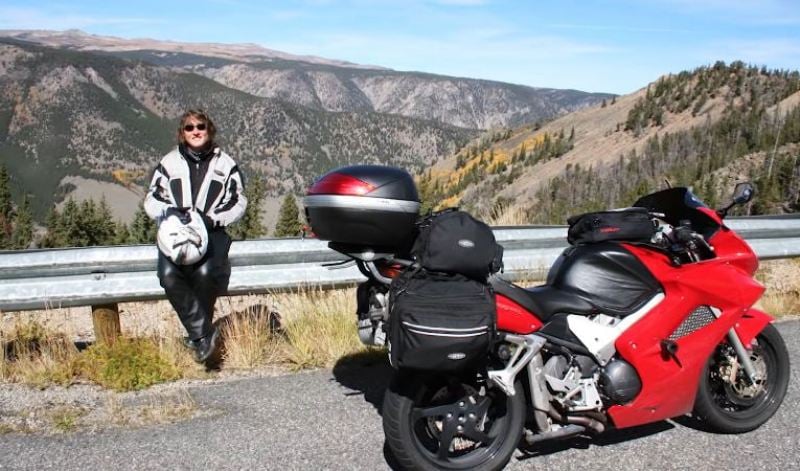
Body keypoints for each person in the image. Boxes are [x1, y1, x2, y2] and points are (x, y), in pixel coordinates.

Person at [144, 109, 247, 363]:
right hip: (176, 233)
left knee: (204, 274)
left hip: (212, 233)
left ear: (209, 129)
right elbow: (152, 198)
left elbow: (238, 201)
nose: (195, 131)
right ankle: (203, 335)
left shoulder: (226, 164)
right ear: (182, 133)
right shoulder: (169, 163)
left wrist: (213, 219)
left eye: (200, 126)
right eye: (189, 128)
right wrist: (169, 212)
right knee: (167, 276)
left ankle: (197, 338)